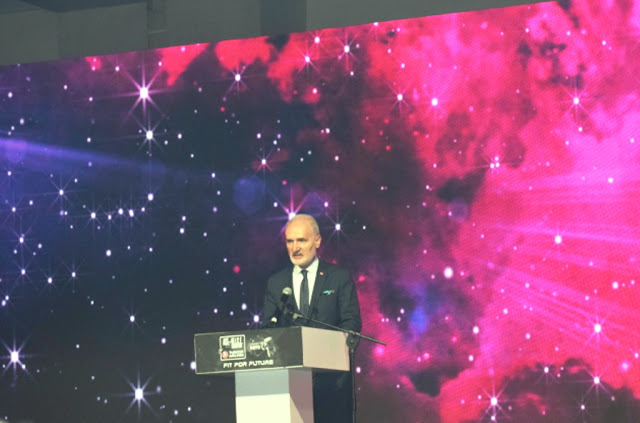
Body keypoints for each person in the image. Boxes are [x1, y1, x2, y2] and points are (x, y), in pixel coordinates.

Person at [263, 214, 361, 423]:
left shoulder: (338, 277)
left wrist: (335, 346)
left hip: (332, 386)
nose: (295, 248)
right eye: (290, 241)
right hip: (290, 388)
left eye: (301, 240)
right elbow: (268, 329)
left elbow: (351, 323)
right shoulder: (276, 282)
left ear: (317, 241)